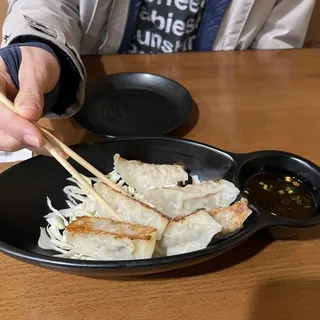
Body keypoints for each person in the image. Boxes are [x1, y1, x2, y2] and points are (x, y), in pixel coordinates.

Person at [0, 0, 316, 154]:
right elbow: (46, 4)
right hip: (88, 102)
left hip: (222, 119)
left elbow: (279, 45)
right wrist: (36, 47)